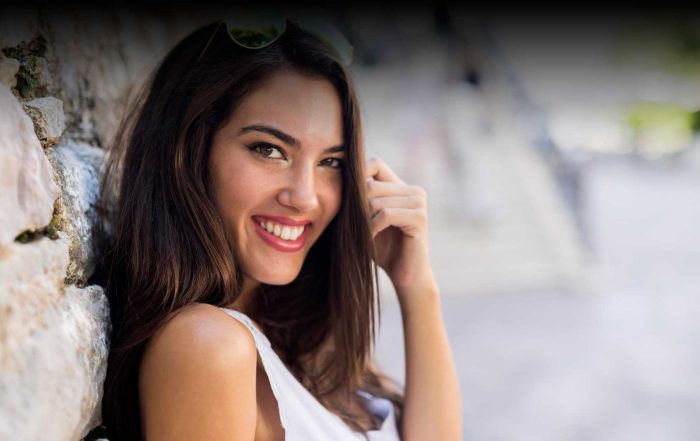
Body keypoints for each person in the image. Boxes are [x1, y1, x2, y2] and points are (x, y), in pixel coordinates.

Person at [92, 14, 461, 441]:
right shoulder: (207, 346)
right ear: (188, 152)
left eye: (330, 162)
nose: (305, 197)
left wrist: (417, 286)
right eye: (269, 150)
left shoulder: (302, 338)